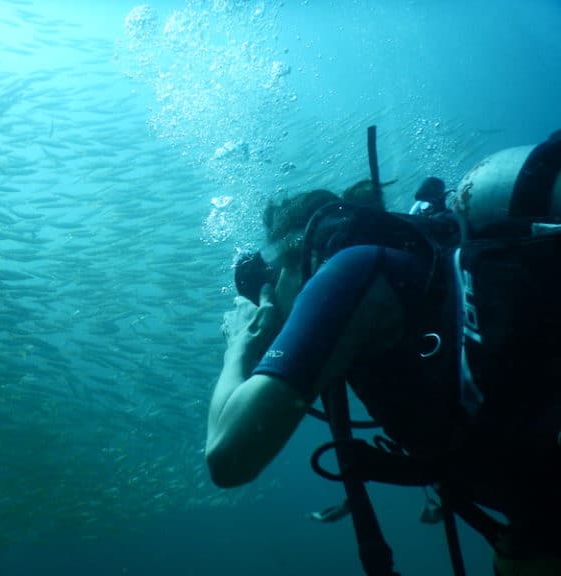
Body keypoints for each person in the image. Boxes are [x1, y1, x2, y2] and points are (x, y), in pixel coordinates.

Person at [206, 132, 561, 576]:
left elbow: (228, 458)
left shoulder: (347, 274)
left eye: (271, 279)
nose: (271, 304)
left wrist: (237, 346)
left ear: (297, 254)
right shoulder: (399, 289)